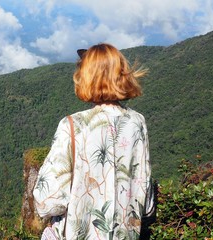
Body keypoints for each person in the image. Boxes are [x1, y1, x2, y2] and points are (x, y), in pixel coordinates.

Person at [33, 43, 152, 240]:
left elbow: (49, 201)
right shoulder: (137, 122)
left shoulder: (73, 125)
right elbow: (146, 202)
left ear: (87, 77)